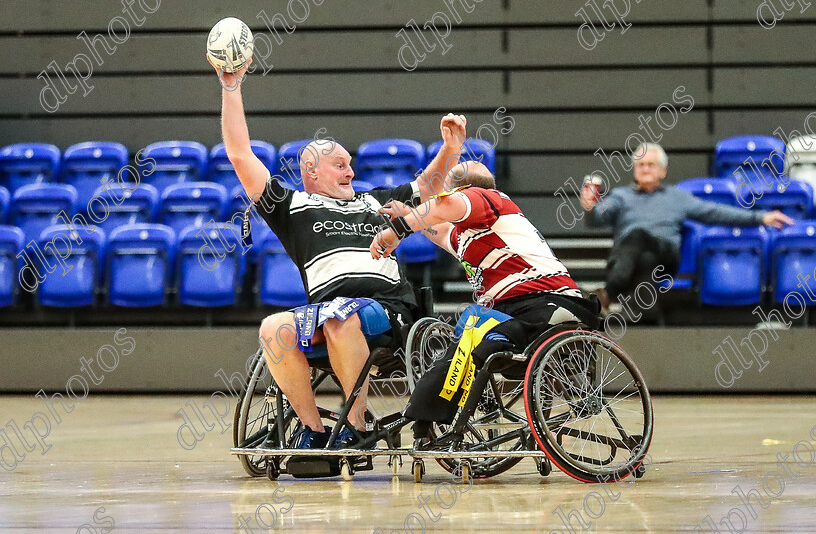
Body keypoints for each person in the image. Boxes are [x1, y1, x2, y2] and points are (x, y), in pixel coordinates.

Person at [209, 58, 467, 449]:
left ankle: (357, 424)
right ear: (311, 173)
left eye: (351, 165)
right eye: (340, 165)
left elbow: (428, 187)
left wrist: (451, 150)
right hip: (326, 313)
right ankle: (312, 430)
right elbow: (240, 155)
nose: (350, 171)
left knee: (339, 319)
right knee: (274, 329)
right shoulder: (291, 208)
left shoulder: (373, 201)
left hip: (387, 310)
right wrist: (231, 86)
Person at [369, 162, 601, 442]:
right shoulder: (472, 232)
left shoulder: (489, 198)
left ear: (461, 191)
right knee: (469, 326)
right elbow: (441, 231)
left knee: (471, 330)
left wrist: (395, 231)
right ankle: (426, 417)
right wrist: (409, 215)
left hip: (543, 303)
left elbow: (443, 207)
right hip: (525, 309)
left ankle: (423, 419)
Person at [580, 143, 793, 310]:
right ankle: (641, 314)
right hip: (632, 261)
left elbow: (715, 213)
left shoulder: (678, 197)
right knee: (644, 259)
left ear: (663, 171)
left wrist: (760, 217)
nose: (645, 169)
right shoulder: (619, 196)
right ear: (634, 169)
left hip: (666, 259)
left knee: (637, 235)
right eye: (640, 165)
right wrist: (589, 207)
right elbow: (596, 219)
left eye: (651, 164)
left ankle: (609, 293)